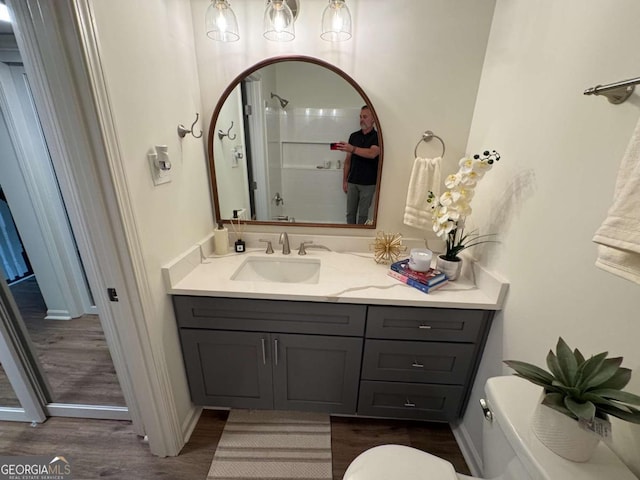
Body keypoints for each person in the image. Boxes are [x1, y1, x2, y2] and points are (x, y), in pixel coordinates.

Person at [335, 105, 381, 224]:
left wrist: (352, 148)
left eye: (365, 117)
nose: (361, 119)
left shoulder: (378, 137)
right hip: (352, 182)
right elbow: (348, 161)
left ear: (373, 119)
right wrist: (344, 180)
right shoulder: (353, 136)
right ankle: (350, 239)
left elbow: (372, 153)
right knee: (350, 214)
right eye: (360, 117)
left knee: (363, 215)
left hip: (368, 184)